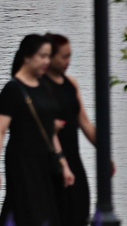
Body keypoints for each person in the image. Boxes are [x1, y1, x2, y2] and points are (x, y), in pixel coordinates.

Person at [0, 35, 74, 226]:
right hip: (22, 161)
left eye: (49, 56)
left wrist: (64, 165)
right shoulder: (13, 89)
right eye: (42, 56)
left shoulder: (44, 86)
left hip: (45, 161)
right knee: (25, 209)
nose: (46, 61)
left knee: (48, 212)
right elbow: (0, 131)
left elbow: (50, 131)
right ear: (27, 57)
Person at [44, 33, 110, 226]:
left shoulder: (70, 84)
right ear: (50, 56)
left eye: (70, 55)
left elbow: (85, 123)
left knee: (79, 212)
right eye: (64, 56)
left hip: (74, 160)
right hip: (51, 162)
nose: (68, 61)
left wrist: (104, 153)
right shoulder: (40, 87)